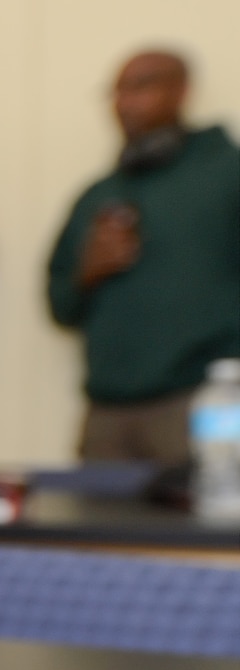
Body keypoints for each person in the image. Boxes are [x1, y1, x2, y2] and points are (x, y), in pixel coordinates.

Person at [47, 51, 240, 464]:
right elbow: (59, 305)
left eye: (142, 86)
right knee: (92, 527)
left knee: (208, 524)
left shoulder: (227, 173)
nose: (124, 102)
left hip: (202, 403)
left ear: (181, 91)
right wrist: (88, 272)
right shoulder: (97, 195)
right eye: (116, 91)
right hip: (107, 413)